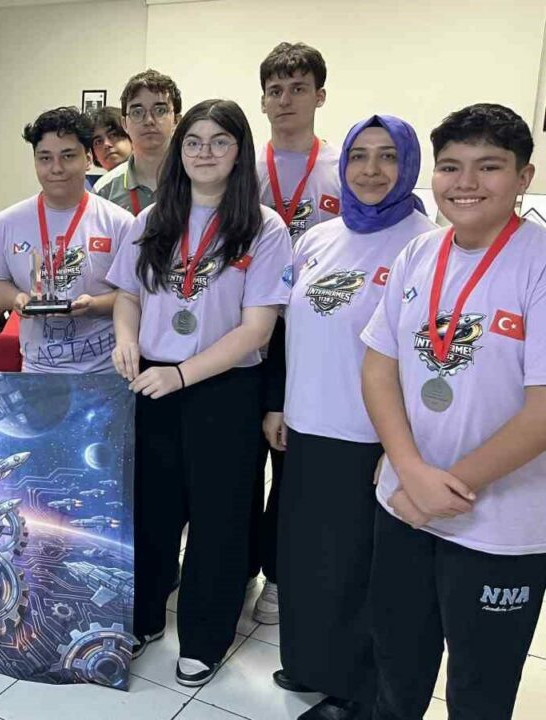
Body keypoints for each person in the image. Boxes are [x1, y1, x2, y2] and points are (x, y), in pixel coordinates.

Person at [361, 103, 546, 720]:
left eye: (488, 166)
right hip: (403, 506)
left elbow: (543, 412)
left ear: (523, 177)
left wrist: (446, 488)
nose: (465, 183)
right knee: (397, 665)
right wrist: (410, 472)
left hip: (500, 525)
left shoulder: (539, 262)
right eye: (450, 167)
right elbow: (379, 368)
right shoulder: (419, 253)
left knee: (480, 688)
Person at [107, 99, 290, 687]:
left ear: (240, 151)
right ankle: (143, 619)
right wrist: (127, 339)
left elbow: (257, 330)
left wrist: (183, 375)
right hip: (152, 382)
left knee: (220, 519)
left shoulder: (263, 227)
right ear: (179, 151)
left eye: (219, 141)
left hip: (224, 388)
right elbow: (128, 294)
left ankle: (206, 637)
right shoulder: (152, 219)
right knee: (152, 511)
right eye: (193, 142)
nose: (204, 152)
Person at [267, 115, 436, 720]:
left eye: (387, 156)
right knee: (307, 560)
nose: (370, 169)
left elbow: (423, 353)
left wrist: (403, 445)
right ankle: (309, 662)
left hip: (372, 435)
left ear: (408, 165)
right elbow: (288, 328)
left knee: (360, 570)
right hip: (308, 425)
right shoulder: (317, 238)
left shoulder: (425, 244)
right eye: (359, 155)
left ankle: (354, 689)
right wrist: (278, 403)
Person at [251, 41, 342, 625]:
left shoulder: (343, 167)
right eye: (275, 90)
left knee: (291, 464)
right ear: (263, 100)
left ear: (320, 96)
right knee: (240, 464)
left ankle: (280, 578)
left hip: (309, 337)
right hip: (247, 332)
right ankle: (240, 566)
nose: (286, 100)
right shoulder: (244, 168)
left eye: (298, 88)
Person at [0, 106, 132, 374]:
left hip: (105, 372)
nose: (56, 168)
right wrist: (17, 299)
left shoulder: (119, 223)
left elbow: (136, 295)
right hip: (38, 371)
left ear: (88, 158)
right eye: (45, 158)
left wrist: (94, 305)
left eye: (68, 156)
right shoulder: (7, 223)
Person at [97, 70, 182, 215]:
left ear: (176, 120)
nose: (149, 120)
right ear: (124, 124)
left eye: (160, 110)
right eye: (137, 112)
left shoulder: (195, 180)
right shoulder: (104, 191)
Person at [88, 106, 132, 193]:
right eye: (98, 142)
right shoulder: (100, 189)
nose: (106, 144)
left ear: (131, 138)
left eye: (113, 135)